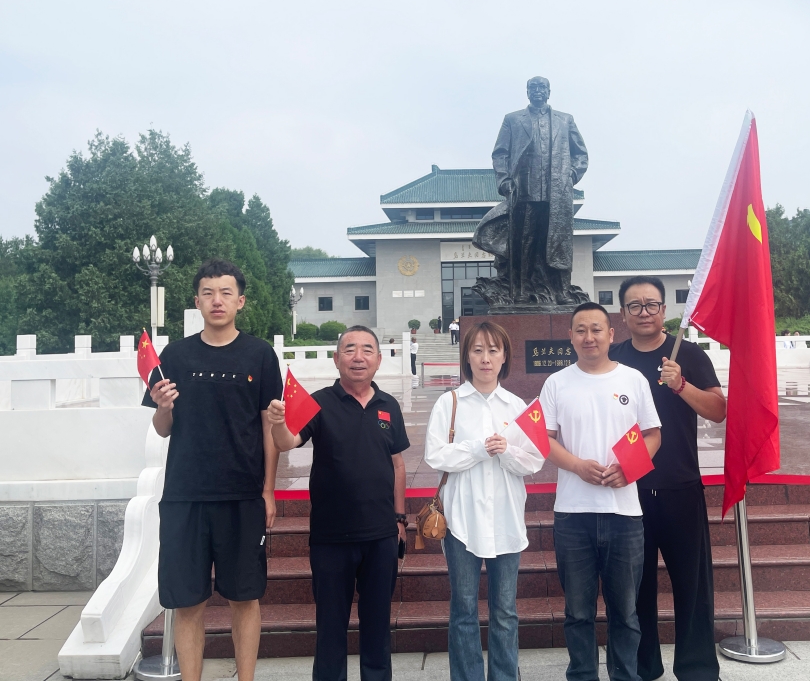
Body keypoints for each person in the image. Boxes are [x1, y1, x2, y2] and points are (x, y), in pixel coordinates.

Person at [143, 259, 283, 681]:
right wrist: (162, 407)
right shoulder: (175, 355)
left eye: (225, 292)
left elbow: (269, 426)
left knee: (245, 598)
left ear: (240, 301)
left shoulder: (260, 354)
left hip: (242, 494)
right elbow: (163, 428)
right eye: (208, 293)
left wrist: (268, 491)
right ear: (197, 301)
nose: (216, 300)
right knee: (188, 602)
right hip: (185, 495)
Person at [266, 325, 409, 681]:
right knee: (330, 629)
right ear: (336, 358)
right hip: (331, 537)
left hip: (381, 536)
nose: (358, 357)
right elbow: (287, 441)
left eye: (366, 350)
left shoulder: (388, 406)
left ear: (378, 360)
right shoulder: (319, 402)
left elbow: (398, 464)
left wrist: (400, 518)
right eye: (349, 349)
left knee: (378, 626)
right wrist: (278, 423)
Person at [610, 276, 726, 681]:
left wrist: (681, 385)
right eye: (635, 305)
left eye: (651, 304)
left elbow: (718, 410)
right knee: (635, 589)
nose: (644, 312)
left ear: (663, 310)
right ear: (623, 313)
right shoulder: (613, 358)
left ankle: (696, 668)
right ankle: (643, 667)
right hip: (630, 491)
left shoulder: (688, 354)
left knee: (692, 588)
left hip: (681, 486)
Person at [542, 302, 662, 681]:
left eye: (596, 329)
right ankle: (582, 675)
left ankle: (625, 675)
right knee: (578, 612)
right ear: (570, 336)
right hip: (572, 515)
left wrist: (630, 469)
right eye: (581, 330)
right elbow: (545, 440)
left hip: (624, 515)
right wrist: (578, 466)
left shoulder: (633, 380)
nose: (588, 337)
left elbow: (652, 434)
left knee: (625, 612)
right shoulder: (557, 383)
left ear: (611, 334)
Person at [424, 322, 544, 681]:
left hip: (506, 520)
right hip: (462, 521)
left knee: (505, 611)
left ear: (504, 356)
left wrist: (506, 452)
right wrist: (478, 449)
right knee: (463, 610)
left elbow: (534, 460)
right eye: (478, 350)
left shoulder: (517, 406)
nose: (485, 358)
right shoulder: (449, 403)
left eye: (493, 350)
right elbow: (435, 455)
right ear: (467, 357)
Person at [472, 76, 590, 306]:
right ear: (527, 92)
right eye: (533, 87)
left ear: (549, 91)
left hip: (557, 193)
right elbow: (500, 154)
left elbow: (581, 154)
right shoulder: (513, 119)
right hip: (524, 190)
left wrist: (572, 175)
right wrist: (504, 180)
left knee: (558, 243)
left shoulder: (565, 120)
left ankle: (561, 291)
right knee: (523, 245)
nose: (537, 91)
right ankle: (520, 291)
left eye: (541, 87)